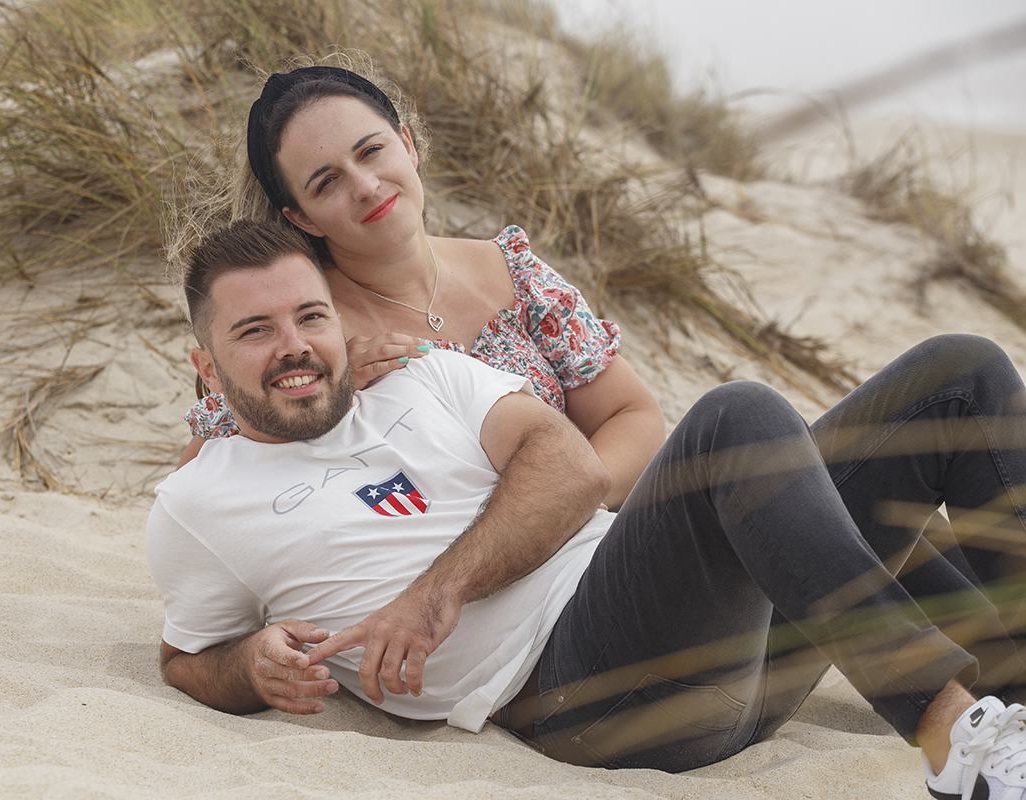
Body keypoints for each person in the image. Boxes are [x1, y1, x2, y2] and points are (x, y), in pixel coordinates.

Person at [148, 218, 1026, 798]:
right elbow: (186, 655)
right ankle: (954, 740)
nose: (294, 348)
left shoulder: (429, 374)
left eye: (309, 317)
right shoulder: (200, 501)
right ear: (205, 363)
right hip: (585, 696)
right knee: (738, 419)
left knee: (960, 374)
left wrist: (432, 593)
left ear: (338, 321)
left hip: (709, 630)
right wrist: (246, 664)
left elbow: (569, 468)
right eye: (254, 331)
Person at [176, 62, 667, 513]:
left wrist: (563, 504)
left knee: (734, 422)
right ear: (302, 216)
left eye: (371, 151)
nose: (366, 186)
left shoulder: (512, 271)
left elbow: (631, 413)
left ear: (407, 145)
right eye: (327, 182)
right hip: (439, 583)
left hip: (584, 542)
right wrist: (327, 401)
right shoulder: (302, 328)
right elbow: (196, 485)